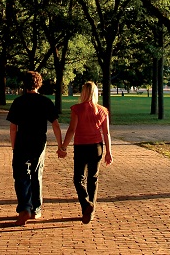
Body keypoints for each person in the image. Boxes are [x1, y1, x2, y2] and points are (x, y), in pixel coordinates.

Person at [6, 71, 62, 226]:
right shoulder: (45, 102)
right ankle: (36, 209)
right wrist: (60, 145)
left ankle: (25, 206)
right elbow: (55, 125)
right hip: (38, 141)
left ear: (24, 85)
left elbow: (12, 127)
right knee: (37, 173)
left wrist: (14, 146)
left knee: (21, 175)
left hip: (22, 140)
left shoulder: (18, 102)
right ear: (39, 84)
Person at [58, 82, 113, 224]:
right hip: (97, 147)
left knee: (78, 179)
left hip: (81, 147)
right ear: (95, 93)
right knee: (93, 178)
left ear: (83, 92)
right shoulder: (102, 111)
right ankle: (90, 210)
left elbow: (72, 129)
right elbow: (106, 133)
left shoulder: (77, 109)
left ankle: (86, 204)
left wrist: (63, 147)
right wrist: (108, 152)